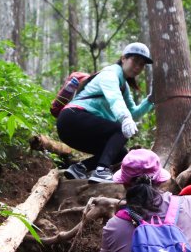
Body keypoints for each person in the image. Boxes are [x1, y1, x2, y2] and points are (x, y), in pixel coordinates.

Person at [57, 42, 153, 183]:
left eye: (142, 64)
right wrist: (125, 118)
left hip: (76, 129)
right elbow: (114, 98)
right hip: (73, 118)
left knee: (120, 153)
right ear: (123, 58)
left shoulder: (124, 85)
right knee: (120, 130)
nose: (138, 67)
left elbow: (133, 113)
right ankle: (101, 171)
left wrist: (150, 100)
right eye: (135, 61)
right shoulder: (110, 73)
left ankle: (80, 168)